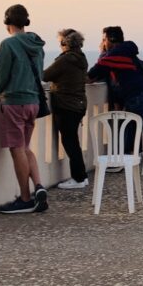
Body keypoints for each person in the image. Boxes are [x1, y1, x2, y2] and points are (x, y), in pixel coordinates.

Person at [0, 4, 49, 214]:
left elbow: (1, 75)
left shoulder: (8, 44)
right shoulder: (37, 45)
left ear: (7, 22)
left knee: (17, 149)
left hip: (14, 102)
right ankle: (39, 186)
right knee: (25, 147)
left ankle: (25, 199)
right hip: (33, 102)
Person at [88, 26, 143, 173]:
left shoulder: (113, 56)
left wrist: (102, 52)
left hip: (135, 96)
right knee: (131, 127)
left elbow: (91, 75)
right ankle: (125, 159)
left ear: (111, 40)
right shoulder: (127, 52)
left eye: (104, 39)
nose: (103, 42)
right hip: (142, 93)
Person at [42, 28, 88, 189]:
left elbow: (45, 76)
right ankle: (82, 176)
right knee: (73, 141)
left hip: (66, 105)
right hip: (78, 104)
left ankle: (78, 178)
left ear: (64, 42)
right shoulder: (81, 58)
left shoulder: (66, 59)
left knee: (70, 142)